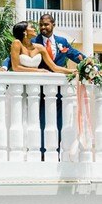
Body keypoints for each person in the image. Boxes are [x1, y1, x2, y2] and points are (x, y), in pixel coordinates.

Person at [10, 20, 69, 157]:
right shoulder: (16, 44)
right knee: (21, 120)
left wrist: (77, 71)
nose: (35, 28)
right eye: (31, 27)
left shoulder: (40, 48)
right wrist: (38, 71)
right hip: (21, 90)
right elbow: (16, 67)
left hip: (36, 90)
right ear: (25, 32)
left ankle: (38, 152)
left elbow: (55, 68)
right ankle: (20, 152)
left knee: (35, 120)